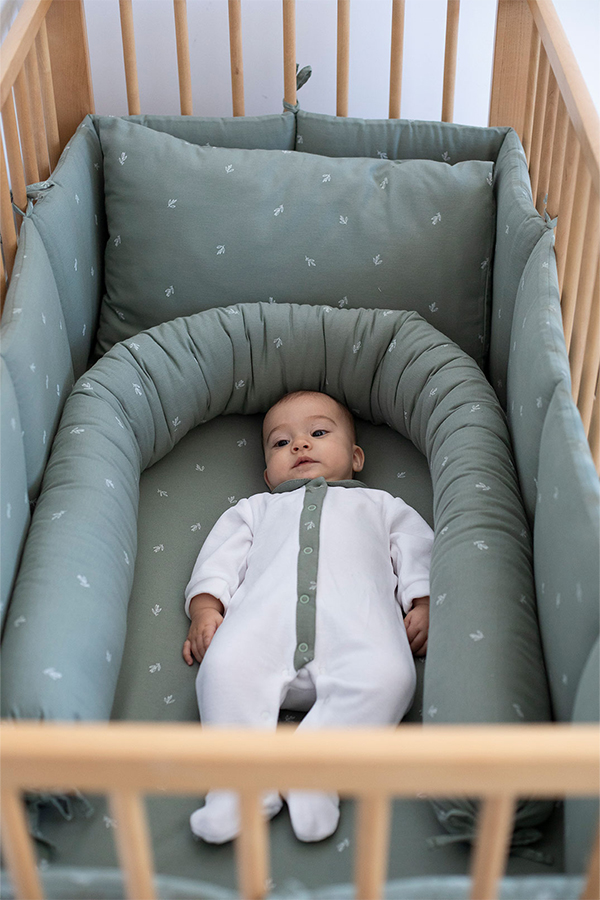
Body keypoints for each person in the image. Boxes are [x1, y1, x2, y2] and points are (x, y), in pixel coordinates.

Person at [183, 390, 433, 843]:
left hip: (358, 632)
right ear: (267, 475)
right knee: (221, 670)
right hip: (262, 628)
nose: (299, 445)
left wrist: (423, 600)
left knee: (393, 676)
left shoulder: (382, 506)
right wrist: (206, 607)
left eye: (318, 433)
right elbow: (219, 558)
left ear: (355, 457)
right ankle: (239, 785)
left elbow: (418, 548)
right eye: (281, 443)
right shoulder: (257, 508)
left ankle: (315, 769)